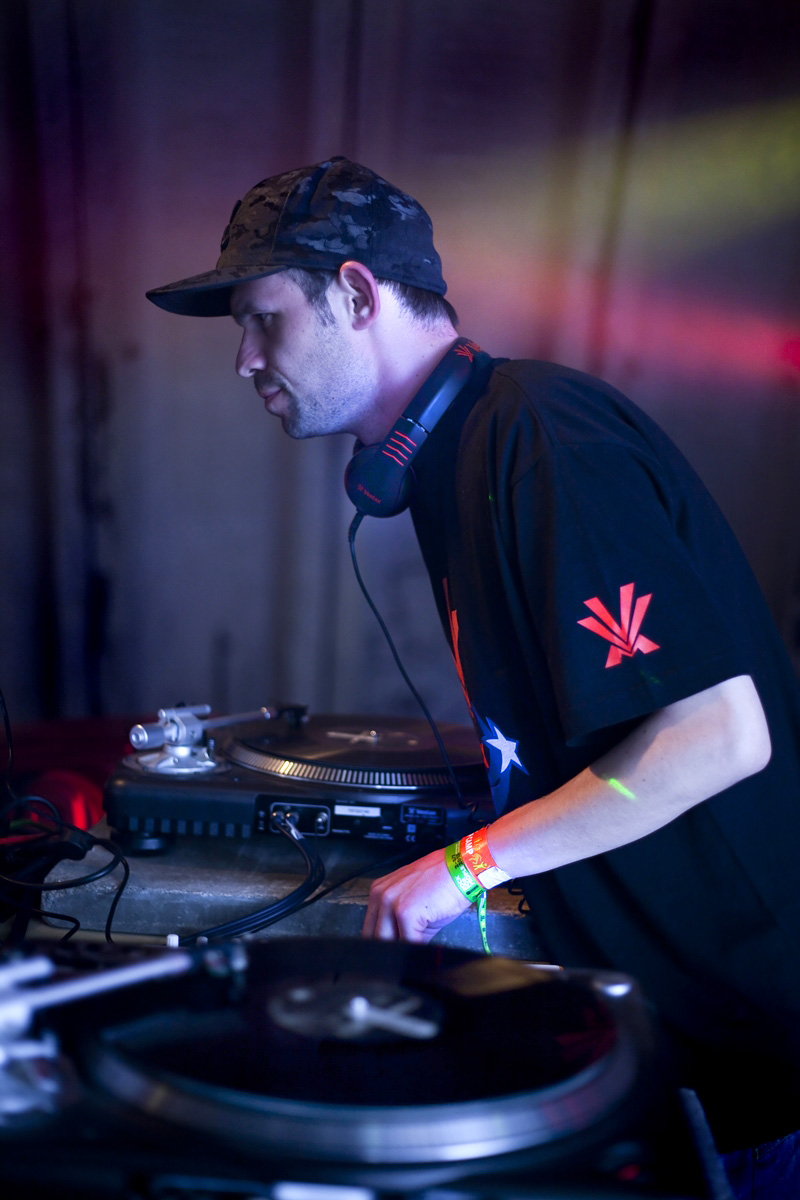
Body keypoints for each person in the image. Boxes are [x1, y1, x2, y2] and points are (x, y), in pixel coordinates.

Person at [147, 156, 800, 1196]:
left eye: (263, 319)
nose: (244, 360)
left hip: (753, 1060)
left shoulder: (541, 439)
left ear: (356, 294)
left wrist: (462, 868)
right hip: (672, 1041)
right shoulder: (456, 461)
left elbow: (719, 736)